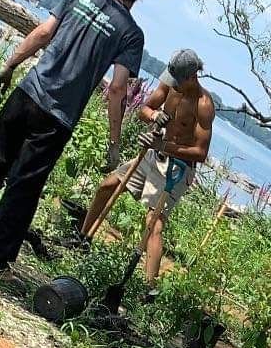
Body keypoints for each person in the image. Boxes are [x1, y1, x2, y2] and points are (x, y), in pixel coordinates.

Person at [0, 0, 151, 272]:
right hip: (57, 117)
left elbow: (43, 33)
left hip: (27, 93)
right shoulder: (131, 34)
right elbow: (117, 90)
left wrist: (9, 65)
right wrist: (113, 143)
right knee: (24, 186)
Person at [82, 48, 215, 283]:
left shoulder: (203, 105)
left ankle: (148, 288)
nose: (173, 85)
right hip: (152, 155)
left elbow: (200, 153)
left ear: (192, 77)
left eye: (179, 81)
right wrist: (154, 117)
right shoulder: (170, 84)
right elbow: (145, 109)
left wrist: (164, 146)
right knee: (108, 185)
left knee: (153, 224)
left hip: (176, 168)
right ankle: (82, 239)